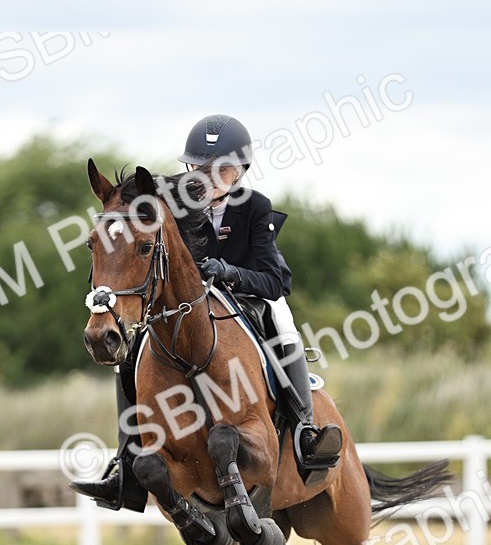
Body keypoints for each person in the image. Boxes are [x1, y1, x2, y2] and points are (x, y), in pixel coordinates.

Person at [75, 114, 343, 511]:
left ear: (239, 172)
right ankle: (126, 462)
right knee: (128, 355)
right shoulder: (170, 211)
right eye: (200, 167)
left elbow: (276, 280)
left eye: (222, 169)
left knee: (282, 320)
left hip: (247, 297)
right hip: (186, 308)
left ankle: (304, 428)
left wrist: (227, 272)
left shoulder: (253, 207)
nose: (210, 176)